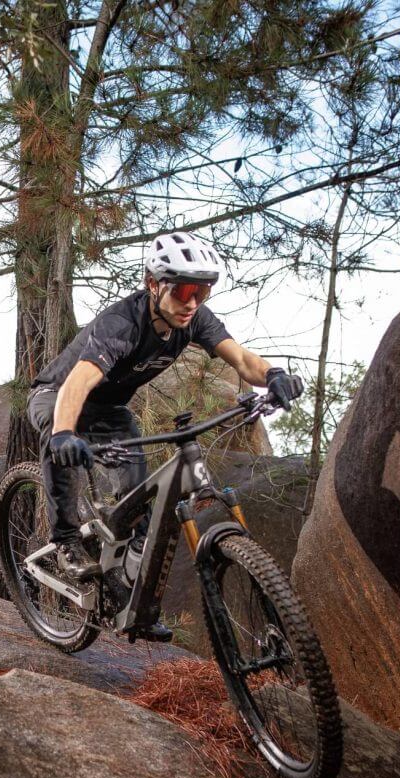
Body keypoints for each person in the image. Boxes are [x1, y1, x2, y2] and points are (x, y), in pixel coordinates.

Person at [26, 230, 303, 639]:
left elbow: (242, 359)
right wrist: (66, 431)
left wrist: (274, 375)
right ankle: (65, 538)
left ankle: (127, 595)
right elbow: (79, 383)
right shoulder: (121, 324)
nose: (192, 302)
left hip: (110, 411)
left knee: (140, 504)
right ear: (153, 284)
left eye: (203, 291)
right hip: (58, 395)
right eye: (184, 290)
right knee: (60, 439)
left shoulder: (195, 321)